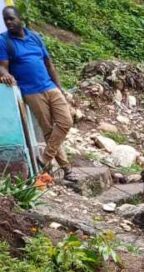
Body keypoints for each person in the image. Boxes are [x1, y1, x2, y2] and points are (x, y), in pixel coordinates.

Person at [0, 6, 75, 181]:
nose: (9, 22)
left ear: (20, 19)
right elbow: (2, 66)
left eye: (12, 19)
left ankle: (44, 159)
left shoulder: (35, 37)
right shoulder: (4, 41)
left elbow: (49, 63)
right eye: (6, 20)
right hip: (31, 91)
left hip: (49, 86)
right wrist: (6, 75)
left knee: (65, 121)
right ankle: (67, 170)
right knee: (48, 129)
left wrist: (59, 87)